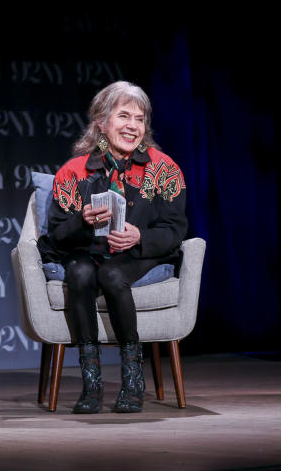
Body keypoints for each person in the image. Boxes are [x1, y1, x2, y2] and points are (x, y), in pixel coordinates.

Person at [37, 81, 187, 413]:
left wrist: (140, 237)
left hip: (139, 254)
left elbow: (176, 228)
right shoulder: (74, 172)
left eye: (140, 118)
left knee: (113, 275)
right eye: (124, 116)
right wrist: (83, 221)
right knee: (78, 272)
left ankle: (133, 381)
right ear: (102, 122)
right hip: (89, 252)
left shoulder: (163, 169)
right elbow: (57, 234)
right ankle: (92, 384)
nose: (133, 126)